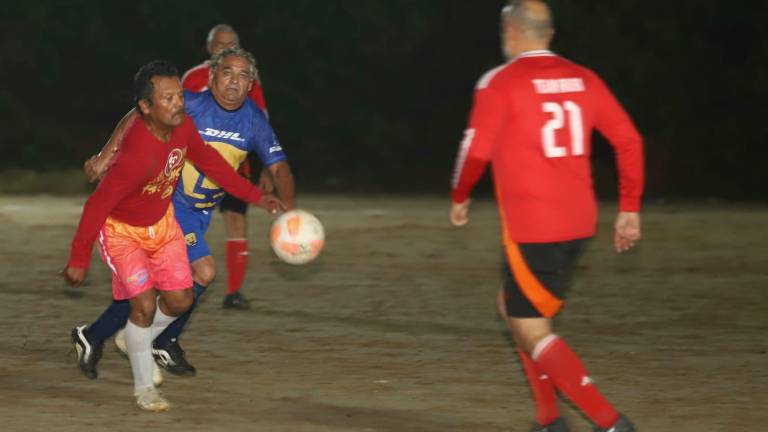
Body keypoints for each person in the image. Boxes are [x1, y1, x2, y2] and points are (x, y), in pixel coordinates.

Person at [449, 2, 643, 431]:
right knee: (511, 309)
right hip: (579, 222)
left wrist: (460, 194)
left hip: (533, 226)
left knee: (532, 329)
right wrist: (629, 208)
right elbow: (629, 140)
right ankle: (550, 420)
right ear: (549, 34)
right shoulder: (585, 78)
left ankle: (610, 422)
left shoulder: (500, 82)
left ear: (509, 31)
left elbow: (475, 151)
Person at [64, 60, 282, 411]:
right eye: (168, 99)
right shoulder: (136, 156)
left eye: (180, 95)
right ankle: (144, 388)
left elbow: (213, 165)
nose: (178, 103)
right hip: (124, 233)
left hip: (162, 226)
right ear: (146, 107)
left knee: (181, 300)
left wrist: (257, 196)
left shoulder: (183, 129)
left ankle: (131, 338)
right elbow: (96, 206)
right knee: (144, 306)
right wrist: (78, 259)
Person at [182, 24, 271, 310]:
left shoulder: (248, 78)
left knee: (236, 220)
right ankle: (175, 280)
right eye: (220, 44)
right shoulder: (193, 77)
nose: (225, 48)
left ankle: (234, 291)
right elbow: (173, 119)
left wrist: (267, 166)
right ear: (210, 48)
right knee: (185, 221)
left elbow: (261, 120)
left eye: (231, 44)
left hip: (235, 164)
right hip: (193, 165)